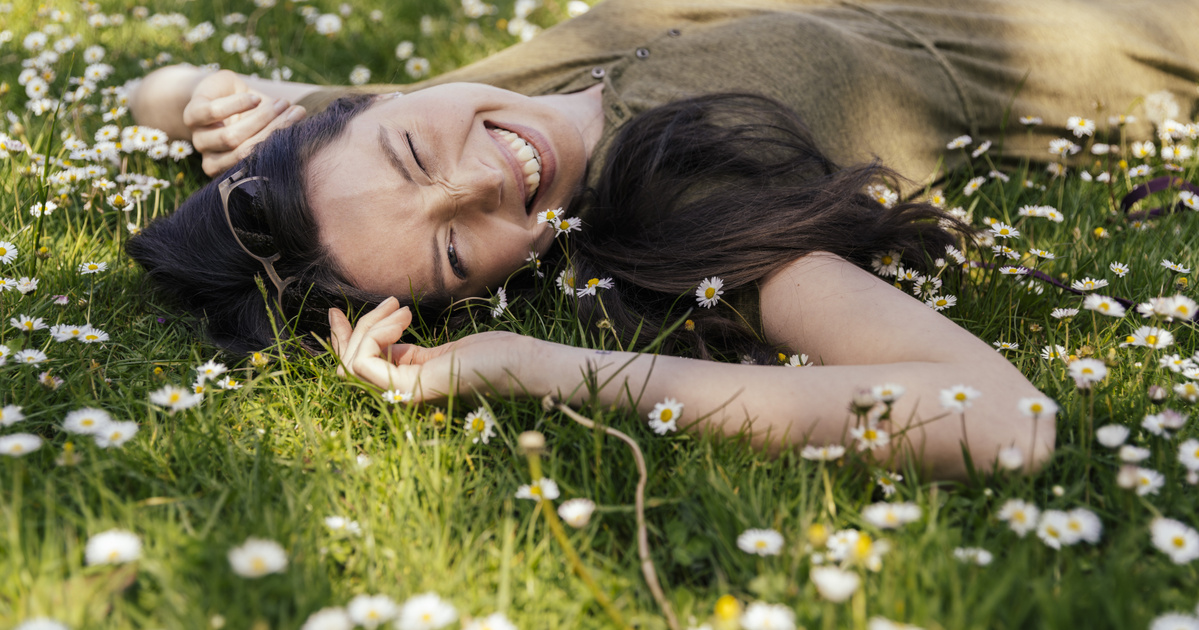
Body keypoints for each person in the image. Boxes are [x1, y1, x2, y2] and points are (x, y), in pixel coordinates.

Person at [126, 0, 1199, 479]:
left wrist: (205, 98)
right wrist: (530, 364)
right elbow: (1004, 423)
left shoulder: (381, 137)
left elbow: (147, 93)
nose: (484, 178)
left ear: (362, 108)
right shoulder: (681, 203)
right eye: (455, 251)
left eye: (411, 149)